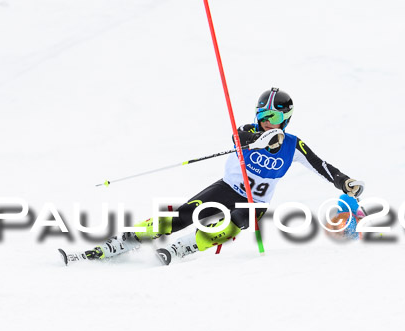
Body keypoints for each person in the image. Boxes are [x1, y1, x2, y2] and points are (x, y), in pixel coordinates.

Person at [59, 88, 364, 266]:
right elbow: (240, 136)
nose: (265, 123)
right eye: (261, 116)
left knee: (237, 220)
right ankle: (123, 241)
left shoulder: (293, 145)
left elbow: (322, 166)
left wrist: (344, 182)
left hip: (255, 201)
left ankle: (187, 245)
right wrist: (255, 136)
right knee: (182, 215)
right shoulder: (250, 132)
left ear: (286, 117)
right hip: (227, 188)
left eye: (272, 118)